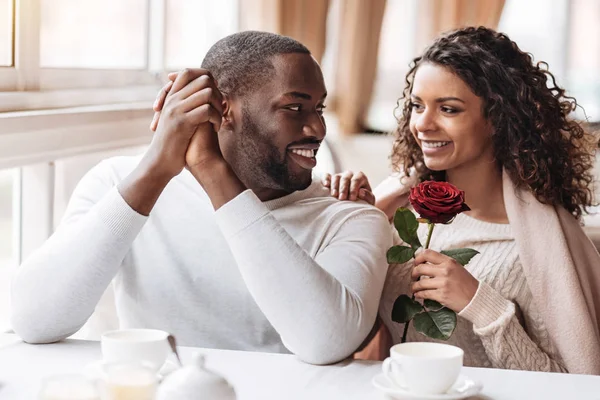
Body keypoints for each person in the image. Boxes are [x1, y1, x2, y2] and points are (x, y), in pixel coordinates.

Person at [10, 31, 392, 365]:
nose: (317, 127)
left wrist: (212, 170)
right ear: (223, 110)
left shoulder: (349, 215)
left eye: (318, 108)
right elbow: (34, 319)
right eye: (294, 107)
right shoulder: (118, 183)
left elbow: (326, 341)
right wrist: (157, 166)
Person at [325, 26, 600, 374]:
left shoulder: (539, 250)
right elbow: (342, 321)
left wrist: (482, 304)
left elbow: (568, 388)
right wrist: (357, 222)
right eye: (417, 105)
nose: (422, 124)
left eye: (449, 109)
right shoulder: (396, 213)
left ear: (499, 120)